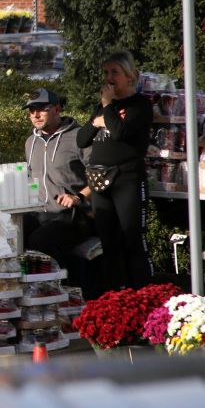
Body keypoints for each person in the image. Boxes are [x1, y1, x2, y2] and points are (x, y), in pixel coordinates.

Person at [76, 50, 154, 290]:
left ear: (129, 76)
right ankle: (114, 296)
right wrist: (97, 118)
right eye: (106, 73)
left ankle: (142, 292)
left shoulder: (139, 105)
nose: (109, 78)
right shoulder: (103, 107)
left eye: (115, 73)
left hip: (126, 178)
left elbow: (120, 132)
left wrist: (108, 108)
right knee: (109, 242)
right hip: (100, 180)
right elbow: (82, 139)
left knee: (132, 238)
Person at [22, 88, 91, 283]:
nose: (35, 115)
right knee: (13, 234)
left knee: (40, 241)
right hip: (40, 212)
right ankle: (28, 292)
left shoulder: (79, 137)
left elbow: (100, 175)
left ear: (57, 109)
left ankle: (63, 291)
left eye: (42, 109)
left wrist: (78, 197)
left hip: (73, 214)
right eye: (31, 110)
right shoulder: (30, 142)